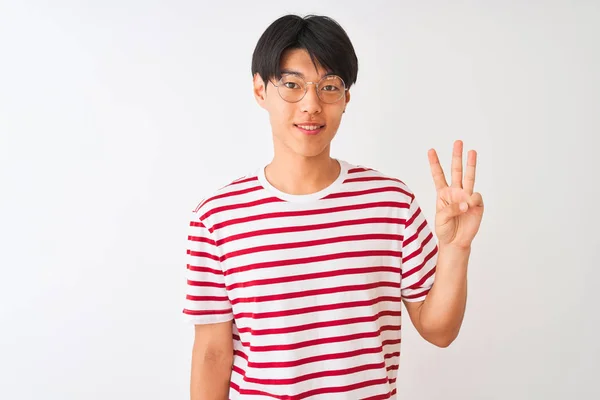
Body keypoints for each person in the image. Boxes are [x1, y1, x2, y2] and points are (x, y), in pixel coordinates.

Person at [182, 14, 484, 400]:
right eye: (291, 84)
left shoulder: (391, 203)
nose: (311, 104)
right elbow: (212, 353)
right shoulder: (217, 217)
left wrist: (456, 249)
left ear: (346, 98)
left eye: (328, 87)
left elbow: (439, 330)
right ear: (260, 90)